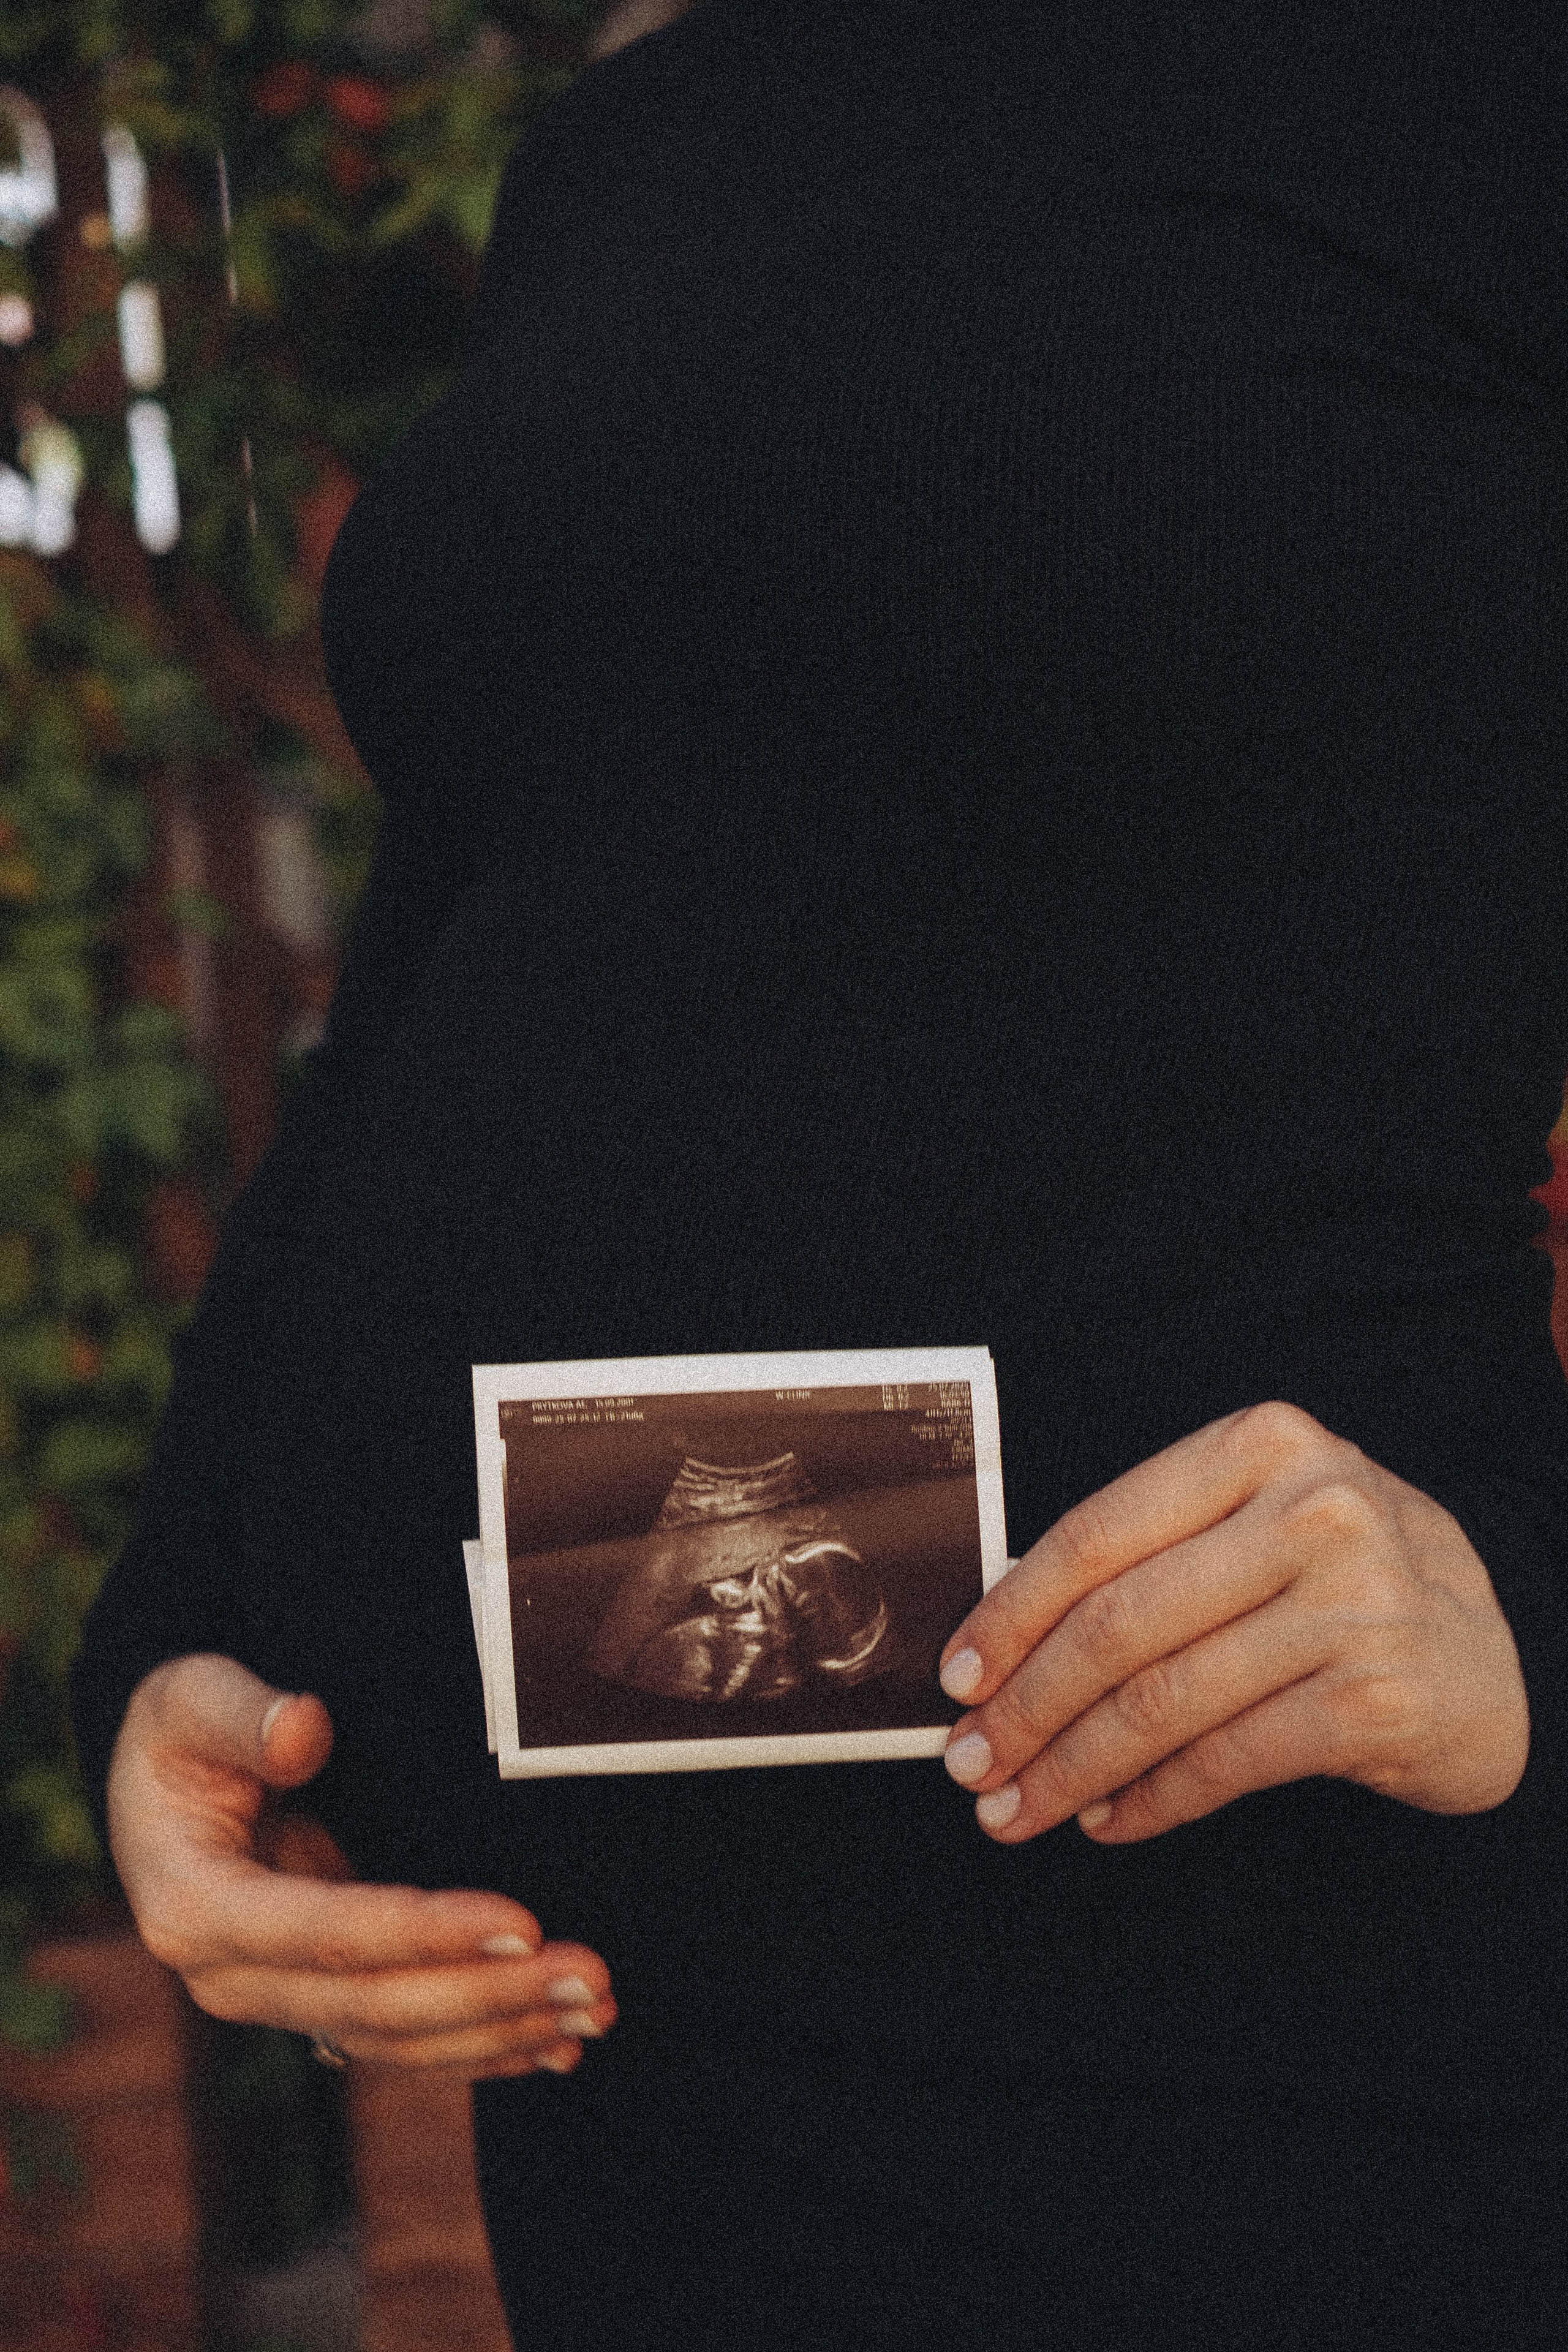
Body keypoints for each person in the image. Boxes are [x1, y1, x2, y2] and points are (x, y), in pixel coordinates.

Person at [73, 1, 1568, 2344]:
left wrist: (1545, 1626)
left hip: (1274, 2071)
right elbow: (440, 980)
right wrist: (176, 1637)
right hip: (638, 2084)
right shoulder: (639, 139)